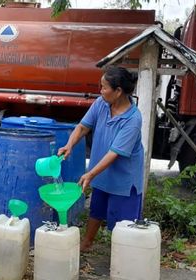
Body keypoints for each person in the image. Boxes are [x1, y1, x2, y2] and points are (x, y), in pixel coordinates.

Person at [58, 66, 143, 251]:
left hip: (124, 179)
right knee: (96, 210)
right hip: (101, 174)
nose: (101, 90)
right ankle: (87, 243)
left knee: (123, 224)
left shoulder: (133, 119)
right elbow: (82, 127)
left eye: (104, 87)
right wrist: (69, 145)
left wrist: (90, 173)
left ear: (118, 91)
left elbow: (114, 153)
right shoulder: (101, 104)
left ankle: (123, 254)